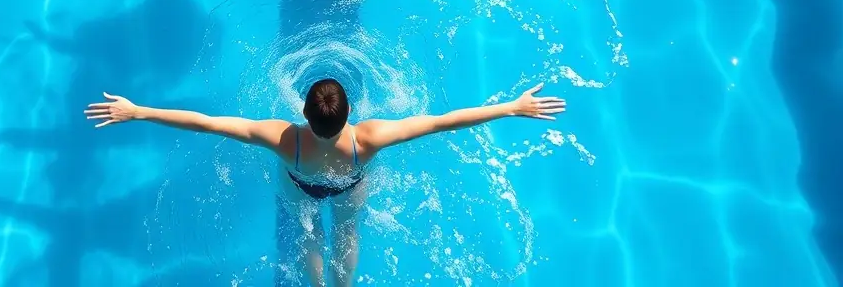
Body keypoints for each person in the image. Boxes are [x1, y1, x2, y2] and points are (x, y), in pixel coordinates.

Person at [85, 79, 566, 287]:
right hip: (350, 183)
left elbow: (208, 122)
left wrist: (140, 110)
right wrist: (510, 108)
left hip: (301, 186)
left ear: (304, 114)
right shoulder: (370, 138)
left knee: (310, 231)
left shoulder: (283, 138)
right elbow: (443, 121)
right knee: (349, 234)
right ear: (349, 115)